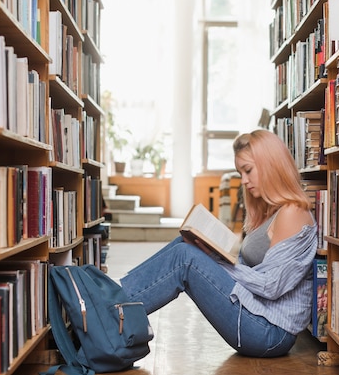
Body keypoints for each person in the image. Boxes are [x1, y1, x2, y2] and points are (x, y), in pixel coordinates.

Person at [120, 129, 318, 357]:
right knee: (183, 245)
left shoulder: (293, 212)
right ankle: (113, 301)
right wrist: (215, 252)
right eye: (240, 172)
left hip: (271, 332)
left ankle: (108, 310)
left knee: (186, 257)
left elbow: (271, 286)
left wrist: (217, 262)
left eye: (248, 170)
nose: (243, 180)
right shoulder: (269, 210)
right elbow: (250, 267)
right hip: (257, 315)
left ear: (271, 165)